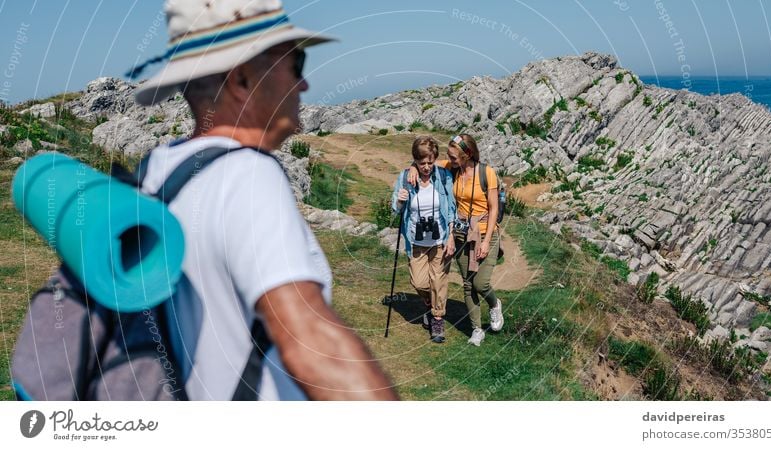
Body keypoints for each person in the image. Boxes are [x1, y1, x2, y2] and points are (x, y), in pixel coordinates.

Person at [128, 0, 397, 400]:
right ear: (242, 80)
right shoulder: (245, 175)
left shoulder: (159, 169)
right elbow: (311, 342)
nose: (304, 84)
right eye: (296, 63)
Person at [407, 134, 504, 346]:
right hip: (461, 235)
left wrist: (487, 241)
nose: (449, 159)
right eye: (448, 156)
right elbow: (424, 160)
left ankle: (495, 304)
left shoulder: (486, 173)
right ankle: (477, 329)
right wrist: (413, 168)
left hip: (486, 232)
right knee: (468, 284)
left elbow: (494, 208)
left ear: (467, 155)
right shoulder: (451, 168)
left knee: (481, 282)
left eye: (453, 156)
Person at [391, 136, 456, 343]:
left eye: (430, 162)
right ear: (415, 161)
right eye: (421, 163)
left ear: (435, 159)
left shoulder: (444, 176)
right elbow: (395, 210)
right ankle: (431, 305)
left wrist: (452, 236)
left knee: (438, 280)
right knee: (419, 282)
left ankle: (437, 318)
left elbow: (452, 208)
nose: (426, 167)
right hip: (416, 240)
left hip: (440, 239)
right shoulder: (405, 178)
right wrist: (400, 201)